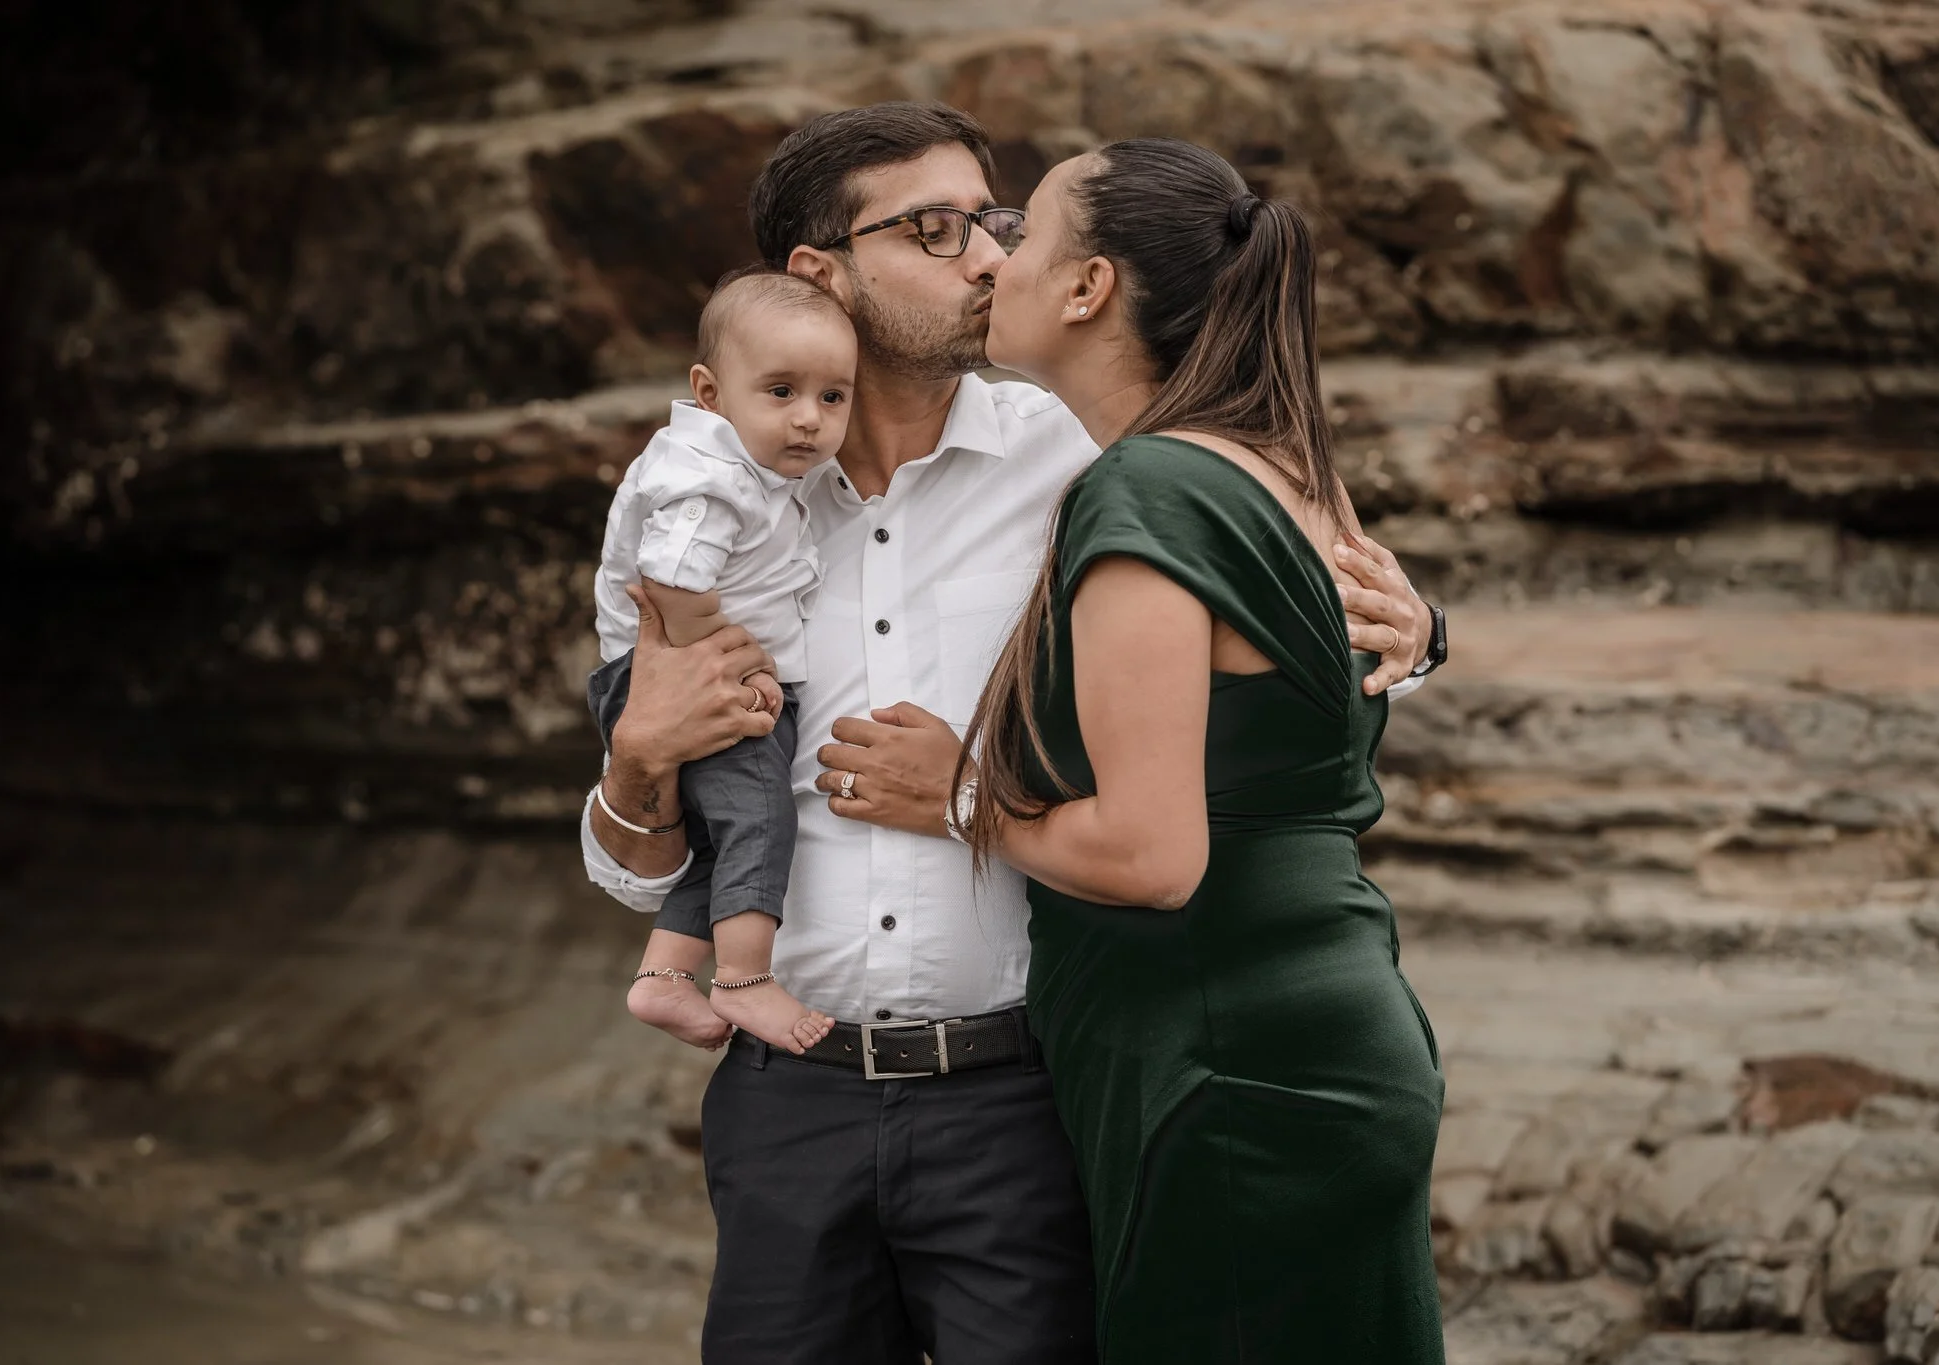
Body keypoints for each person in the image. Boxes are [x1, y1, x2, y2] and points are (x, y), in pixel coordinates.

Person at [579, 103, 1443, 1365]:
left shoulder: (1081, 457)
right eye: (933, 230)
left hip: (1023, 1096)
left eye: (993, 223)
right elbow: (643, 859)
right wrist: (636, 762)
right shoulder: (704, 505)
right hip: (786, 1101)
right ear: (816, 271)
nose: (985, 257)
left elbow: (1276, 581)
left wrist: (1413, 635)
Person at [953, 138, 1448, 1363]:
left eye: (1021, 231)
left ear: (1087, 288)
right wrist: (1432, 636)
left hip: (1224, 1064)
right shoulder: (1283, 467)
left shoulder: (1148, 492)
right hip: (1317, 1025)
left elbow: (1151, 854)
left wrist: (958, 801)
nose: (990, 256)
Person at [588, 268, 850, 1057]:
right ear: (709, 391)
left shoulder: (758, 468)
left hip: (708, 676)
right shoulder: (708, 479)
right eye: (780, 391)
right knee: (763, 820)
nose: (809, 418)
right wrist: (731, 664)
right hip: (690, 679)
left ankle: (665, 976)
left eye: (833, 397)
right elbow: (670, 578)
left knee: (726, 835)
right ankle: (742, 980)